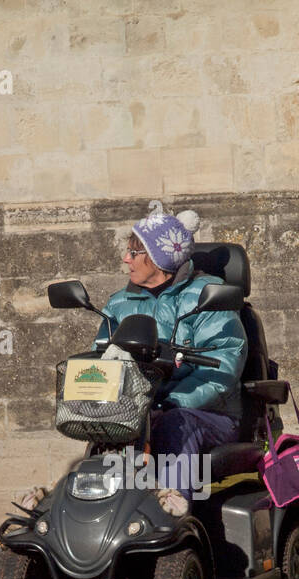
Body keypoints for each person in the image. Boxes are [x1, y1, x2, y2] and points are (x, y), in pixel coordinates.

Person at [97, 209, 248, 515]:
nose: (125, 259)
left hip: (207, 414)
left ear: (158, 258)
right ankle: (92, 516)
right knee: (104, 431)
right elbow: (102, 358)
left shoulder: (207, 296)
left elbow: (223, 363)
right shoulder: (118, 304)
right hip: (139, 413)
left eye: (133, 252)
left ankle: (170, 512)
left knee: (176, 423)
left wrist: (169, 404)